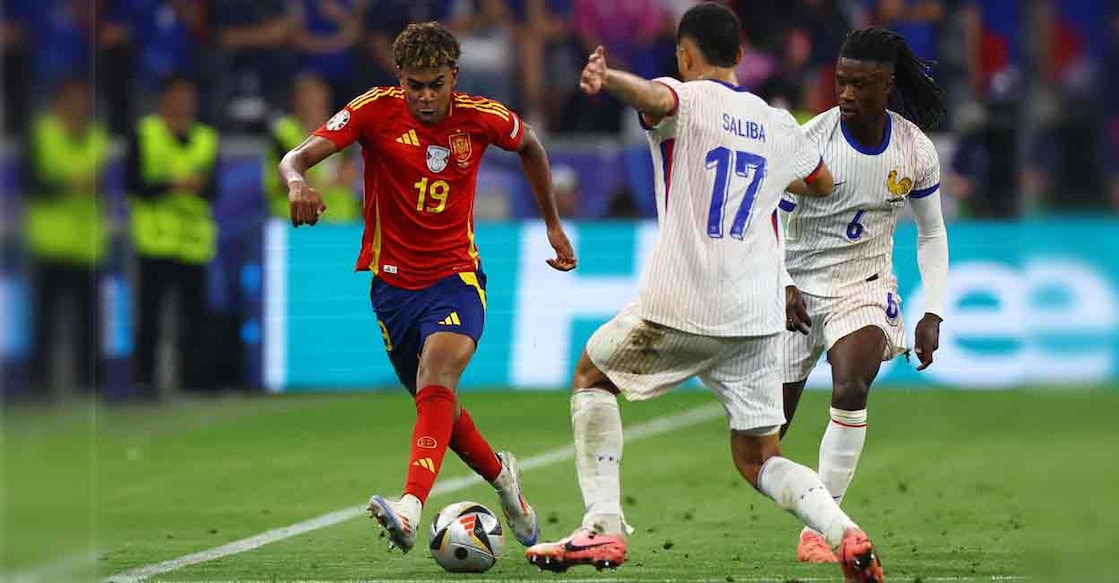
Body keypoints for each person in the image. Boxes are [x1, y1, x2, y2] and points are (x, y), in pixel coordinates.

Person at [525, 4, 884, 582]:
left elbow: (654, 100)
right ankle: (844, 532)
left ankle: (603, 527)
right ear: (740, 55)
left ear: (685, 56)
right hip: (757, 315)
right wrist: (771, 172)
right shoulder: (778, 122)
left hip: (683, 300)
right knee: (759, 457)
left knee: (592, 375)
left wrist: (607, 77)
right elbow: (820, 182)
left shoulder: (685, 97)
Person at [278, 21, 577, 554]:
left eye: (436, 83)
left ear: (453, 78)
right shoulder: (373, 110)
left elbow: (530, 145)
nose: (425, 96)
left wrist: (552, 224)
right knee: (436, 404)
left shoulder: (480, 117)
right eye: (415, 85)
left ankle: (411, 507)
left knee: (437, 378)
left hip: (455, 277)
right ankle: (505, 481)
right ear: (400, 79)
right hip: (391, 289)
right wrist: (298, 183)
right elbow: (293, 157)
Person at [778, 27, 949, 565]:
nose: (846, 93)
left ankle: (821, 533)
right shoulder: (810, 145)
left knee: (851, 386)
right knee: (764, 433)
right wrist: (778, 281)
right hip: (796, 289)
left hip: (865, 287)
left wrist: (933, 311)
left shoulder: (914, 151)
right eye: (840, 81)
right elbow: (769, 221)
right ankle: (812, 509)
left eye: (860, 84)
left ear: (888, 84)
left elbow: (932, 233)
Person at [127, 75, 220, 398]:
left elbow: (214, 188)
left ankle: (194, 380)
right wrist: (173, 185)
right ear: (164, 98)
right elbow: (133, 184)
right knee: (150, 316)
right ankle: (144, 382)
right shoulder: (145, 134)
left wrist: (198, 188)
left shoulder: (207, 138)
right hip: (156, 240)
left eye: (188, 96)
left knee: (194, 318)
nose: (183, 102)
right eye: (177, 96)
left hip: (194, 241)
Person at [24, 77, 110, 397]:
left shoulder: (97, 137)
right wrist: (69, 186)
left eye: (85, 98)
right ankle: (39, 383)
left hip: (87, 243)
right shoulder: (42, 134)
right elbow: (31, 184)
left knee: (89, 321)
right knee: (45, 321)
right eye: (75, 97)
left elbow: (105, 184)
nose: (81, 105)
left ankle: (91, 383)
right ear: (59, 100)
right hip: (50, 243)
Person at [263, 73, 360, 222]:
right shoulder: (283, 134)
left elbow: (348, 175)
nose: (317, 106)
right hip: (295, 222)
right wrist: (328, 182)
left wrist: (321, 182)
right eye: (310, 100)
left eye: (320, 101)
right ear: (296, 102)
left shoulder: (341, 129)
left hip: (341, 222)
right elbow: (288, 178)